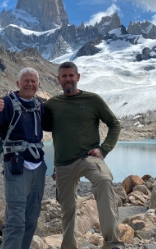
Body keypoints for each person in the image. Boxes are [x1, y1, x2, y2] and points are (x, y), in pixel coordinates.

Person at [43, 61, 124, 249]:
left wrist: (104, 149)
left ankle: (113, 243)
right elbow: (36, 120)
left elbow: (114, 124)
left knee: (104, 180)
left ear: (78, 77)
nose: (68, 79)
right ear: (58, 80)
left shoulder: (92, 100)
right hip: (63, 164)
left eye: (71, 75)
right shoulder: (53, 104)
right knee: (67, 208)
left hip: (88, 158)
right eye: (64, 76)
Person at [0, 67, 47, 249]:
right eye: (26, 80)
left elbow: (58, 124)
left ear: (38, 84)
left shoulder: (39, 106)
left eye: (33, 81)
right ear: (18, 83)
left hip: (38, 168)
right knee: (15, 219)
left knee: (31, 218)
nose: (30, 84)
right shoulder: (7, 103)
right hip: (17, 167)